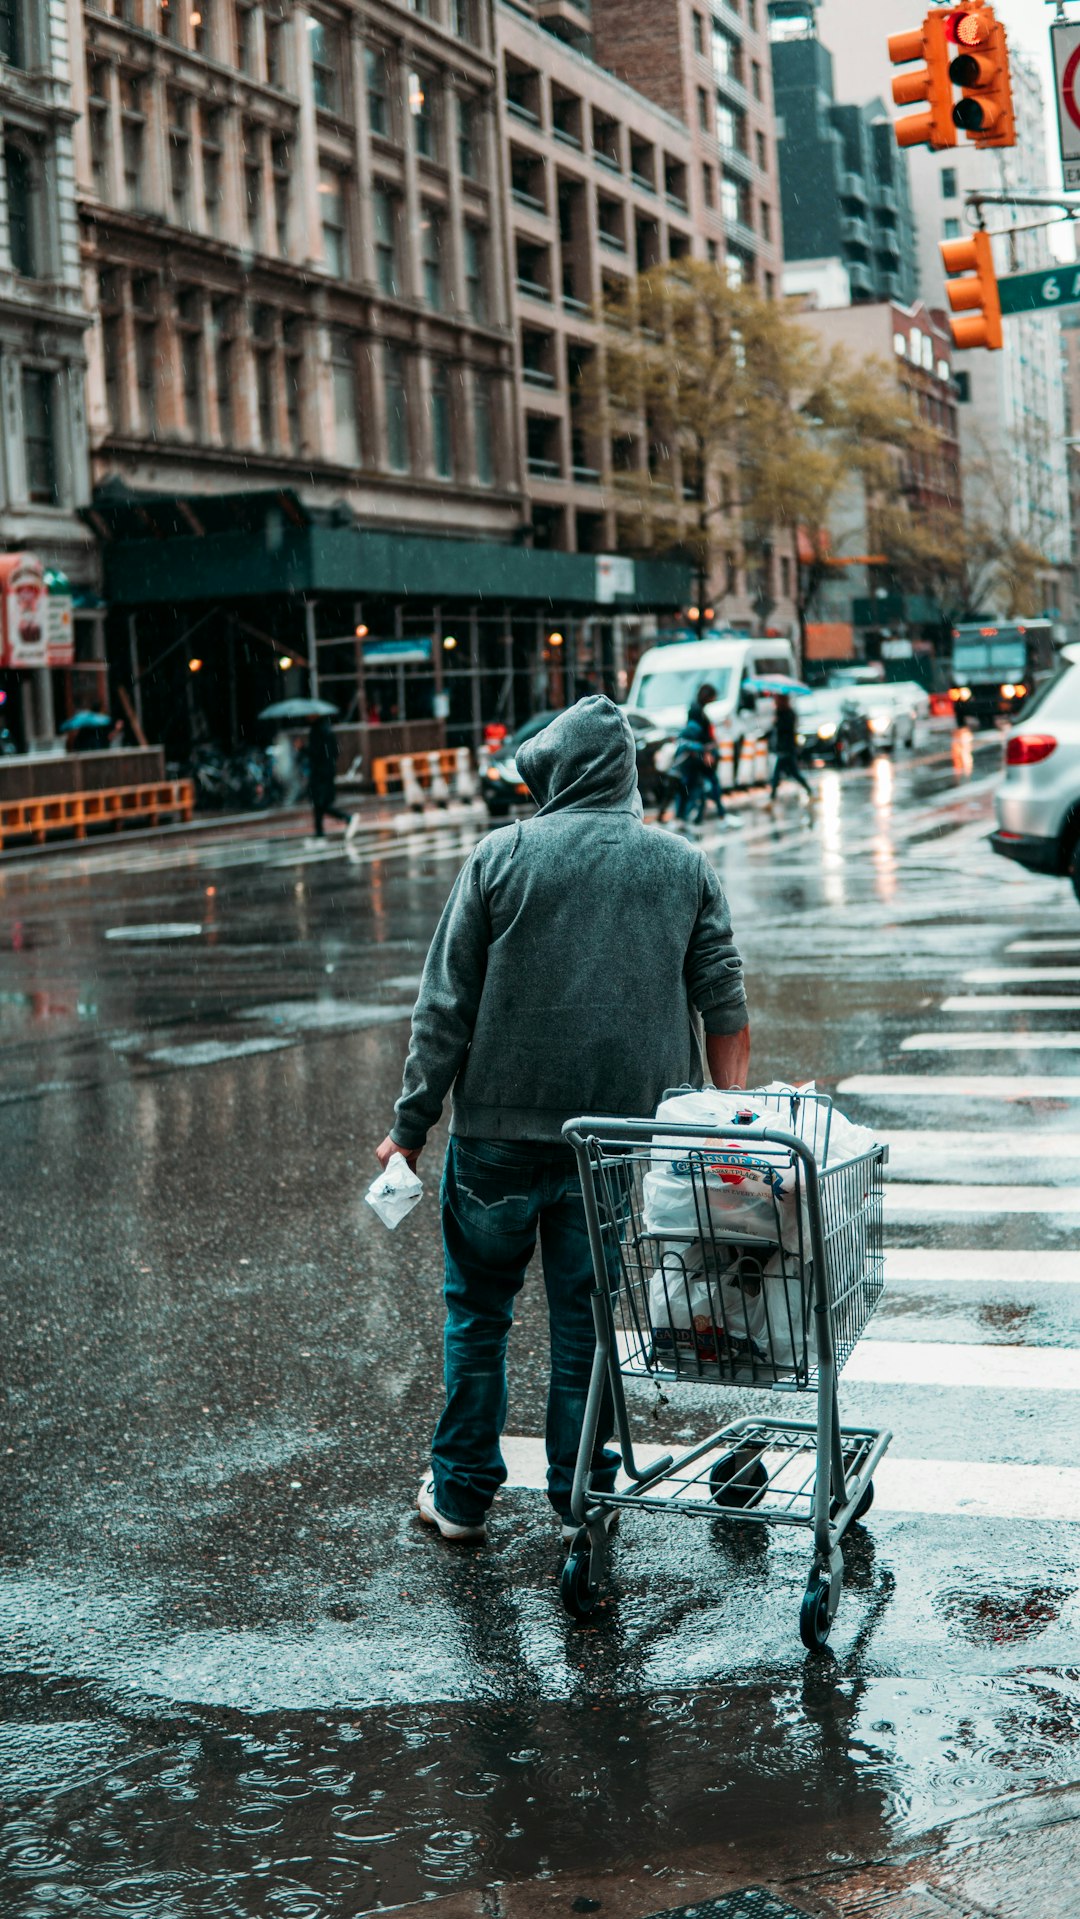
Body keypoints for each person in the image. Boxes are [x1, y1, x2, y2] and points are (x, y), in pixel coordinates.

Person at [376, 696, 750, 1545]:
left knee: (478, 1312)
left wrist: (410, 1124)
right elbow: (725, 1008)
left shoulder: (499, 858)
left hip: (495, 1144)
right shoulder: (682, 865)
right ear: (625, 775)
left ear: (554, 774)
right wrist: (725, 1118)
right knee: (586, 1321)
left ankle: (463, 1494)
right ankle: (583, 1489)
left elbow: (444, 1010)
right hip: (614, 1149)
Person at [307, 715, 350, 837]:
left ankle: (346, 818)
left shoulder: (318, 731)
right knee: (319, 803)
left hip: (320, 773)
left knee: (320, 803)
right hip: (326, 771)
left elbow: (315, 753)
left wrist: (302, 749)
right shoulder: (326, 730)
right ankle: (319, 831)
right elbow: (334, 752)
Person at [769, 693, 812, 802]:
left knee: (778, 774)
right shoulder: (779, 712)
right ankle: (808, 789)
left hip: (787, 749)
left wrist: (777, 721)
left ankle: (772, 798)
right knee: (793, 773)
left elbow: (786, 730)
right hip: (783, 749)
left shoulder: (788, 714)